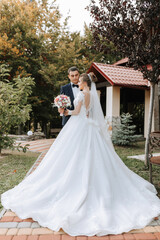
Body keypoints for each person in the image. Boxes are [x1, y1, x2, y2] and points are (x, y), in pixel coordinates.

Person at [1, 72, 160, 237]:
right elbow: (88, 113)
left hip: (78, 126)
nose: (79, 83)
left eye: (80, 81)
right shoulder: (91, 94)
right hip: (88, 127)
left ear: (84, 82)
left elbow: (77, 112)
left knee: (68, 154)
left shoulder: (83, 94)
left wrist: (64, 111)